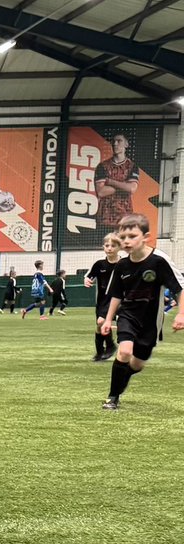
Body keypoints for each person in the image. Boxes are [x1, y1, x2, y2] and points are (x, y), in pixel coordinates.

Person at [99, 213, 184, 410]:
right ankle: (112, 397)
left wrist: (181, 314)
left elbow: (179, 289)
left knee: (137, 364)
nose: (126, 241)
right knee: (125, 351)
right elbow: (116, 295)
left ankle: (121, 380)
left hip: (151, 320)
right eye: (123, 237)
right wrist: (107, 320)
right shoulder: (121, 265)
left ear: (146, 237)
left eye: (132, 236)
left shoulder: (159, 261)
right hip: (127, 315)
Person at [84, 233, 122, 361]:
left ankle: (111, 346)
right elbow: (88, 276)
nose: (110, 248)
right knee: (99, 325)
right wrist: (86, 280)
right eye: (107, 245)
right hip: (102, 301)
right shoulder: (99, 264)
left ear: (119, 247)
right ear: (103, 247)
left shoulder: (124, 263)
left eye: (113, 245)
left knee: (102, 321)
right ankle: (100, 353)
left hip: (119, 299)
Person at [96, 133, 140, 233]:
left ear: (126, 144)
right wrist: (124, 185)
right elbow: (101, 192)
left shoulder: (132, 166)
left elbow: (132, 189)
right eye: (113, 141)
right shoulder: (102, 166)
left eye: (119, 141)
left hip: (125, 218)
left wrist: (111, 182)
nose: (115, 144)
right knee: (106, 247)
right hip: (105, 218)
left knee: (124, 247)